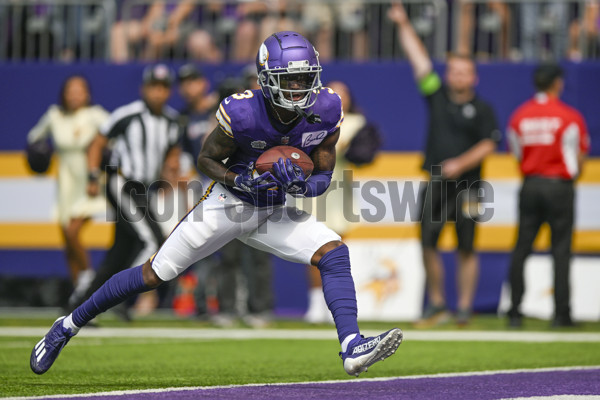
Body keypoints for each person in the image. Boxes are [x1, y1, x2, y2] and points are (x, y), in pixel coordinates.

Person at [30, 31, 402, 377]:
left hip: (271, 210)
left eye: (305, 78)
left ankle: (351, 345)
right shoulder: (242, 112)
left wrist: (301, 186)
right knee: (155, 273)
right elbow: (207, 159)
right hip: (227, 204)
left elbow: (322, 176)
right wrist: (239, 179)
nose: (299, 87)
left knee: (334, 252)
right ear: (266, 78)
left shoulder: (327, 108)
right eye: (290, 79)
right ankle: (67, 326)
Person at [389, 3, 501, 326]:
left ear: (474, 77)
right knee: (427, 242)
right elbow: (419, 62)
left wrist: (460, 164)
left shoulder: (483, 109)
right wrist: (402, 24)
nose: (458, 76)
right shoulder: (436, 95)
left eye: (464, 71)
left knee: (467, 247)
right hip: (436, 183)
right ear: (448, 73)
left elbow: (489, 143)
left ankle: (464, 307)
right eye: (453, 70)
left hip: (469, 188)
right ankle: (437, 303)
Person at [67, 64, 181, 318]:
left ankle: (80, 304)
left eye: (163, 87)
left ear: (169, 91)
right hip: (123, 183)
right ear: (144, 89)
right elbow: (97, 142)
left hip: (144, 190)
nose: (158, 92)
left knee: (120, 252)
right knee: (151, 241)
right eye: (154, 86)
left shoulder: (172, 121)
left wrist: (169, 177)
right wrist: (94, 174)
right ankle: (117, 297)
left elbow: (171, 155)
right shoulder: (128, 114)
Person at [506, 64, 590, 328]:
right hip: (559, 186)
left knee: (521, 248)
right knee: (561, 250)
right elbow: (579, 155)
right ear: (557, 83)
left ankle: (515, 312)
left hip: (530, 185)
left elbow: (517, 153)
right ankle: (561, 314)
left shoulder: (520, 116)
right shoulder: (569, 116)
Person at [303, 80, 380, 324]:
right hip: (312, 192)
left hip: (337, 193)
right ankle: (316, 304)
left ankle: (336, 305)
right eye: (333, 92)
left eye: (343, 93)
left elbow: (362, 154)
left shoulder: (356, 123)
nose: (338, 96)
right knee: (312, 250)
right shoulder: (309, 122)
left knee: (335, 252)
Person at [27, 75, 109, 304]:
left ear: (87, 94)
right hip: (65, 182)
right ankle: (80, 294)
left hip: (89, 181)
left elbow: (113, 134)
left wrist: (101, 165)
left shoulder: (95, 115)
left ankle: (88, 281)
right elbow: (34, 138)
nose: (74, 95)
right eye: (70, 90)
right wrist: (39, 153)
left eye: (79, 90)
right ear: (64, 93)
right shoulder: (55, 116)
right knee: (67, 238)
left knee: (73, 231)